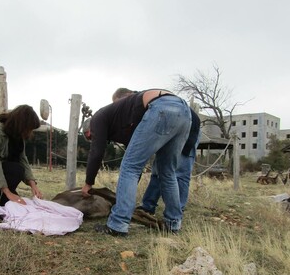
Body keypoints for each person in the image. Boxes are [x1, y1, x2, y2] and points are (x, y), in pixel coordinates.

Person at [81, 89, 191, 236]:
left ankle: (118, 224)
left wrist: (88, 183)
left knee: (129, 167)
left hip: (161, 107)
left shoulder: (98, 118)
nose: (93, 139)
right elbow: (135, 164)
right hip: (184, 112)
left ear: (90, 129)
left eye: (91, 137)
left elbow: (96, 152)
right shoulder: (123, 121)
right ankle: (173, 222)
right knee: (167, 172)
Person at [138, 109, 201, 215]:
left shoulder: (153, 105)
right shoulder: (141, 109)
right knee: (158, 170)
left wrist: (186, 149)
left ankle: (177, 210)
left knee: (181, 173)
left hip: (190, 128)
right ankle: (148, 206)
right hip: (167, 127)